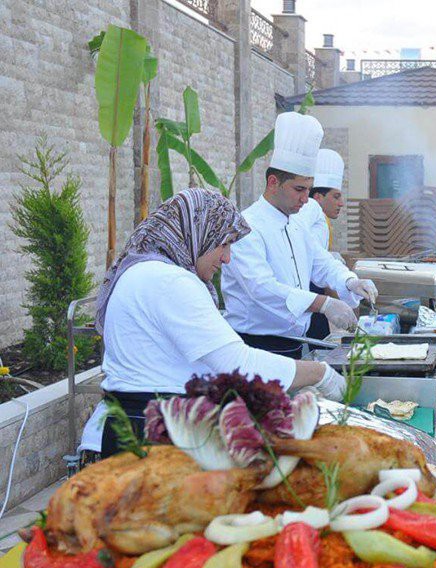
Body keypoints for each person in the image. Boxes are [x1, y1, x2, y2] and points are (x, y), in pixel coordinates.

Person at [93, 189, 345, 458]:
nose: (227, 258)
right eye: (223, 244)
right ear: (197, 232)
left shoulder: (144, 272)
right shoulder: (170, 281)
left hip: (136, 426)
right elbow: (237, 364)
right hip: (156, 435)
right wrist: (319, 373)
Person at [222, 113, 378, 356]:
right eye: (299, 189)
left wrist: (350, 281)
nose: (306, 199)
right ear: (273, 182)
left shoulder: (296, 224)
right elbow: (261, 289)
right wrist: (323, 303)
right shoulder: (247, 226)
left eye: (308, 189)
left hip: (293, 343)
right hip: (255, 346)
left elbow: (321, 262)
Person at [298, 148, 347, 340]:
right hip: (310, 294)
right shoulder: (312, 211)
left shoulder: (322, 219)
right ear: (317, 197)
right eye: (336, 196)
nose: (341, 203)